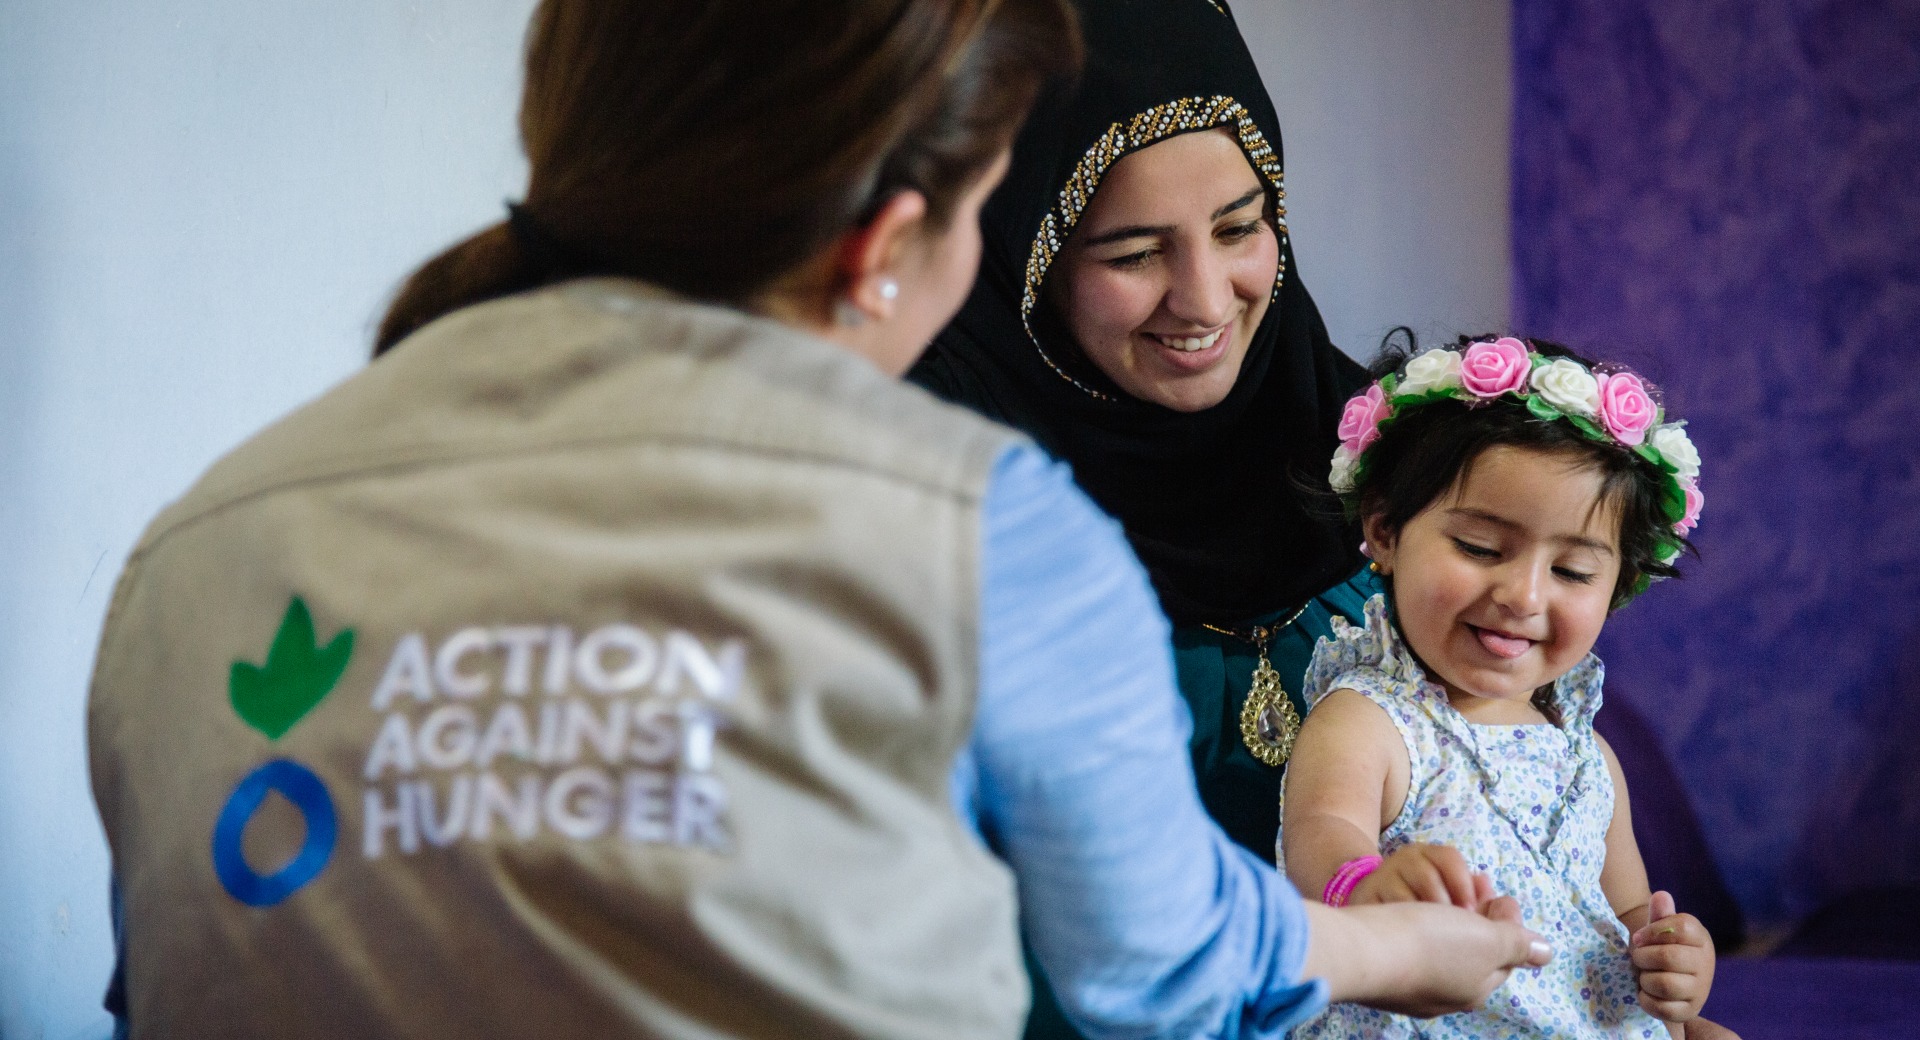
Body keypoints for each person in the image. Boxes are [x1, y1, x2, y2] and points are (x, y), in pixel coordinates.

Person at [88, 1, 1552, 1037]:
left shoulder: (201, 540)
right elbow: (1159, 975)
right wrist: (1405, 945)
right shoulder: (975, 530)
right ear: (892, 247)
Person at [909, 0, 1374, 872]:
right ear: (1024, 261)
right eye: (1132, 255)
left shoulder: (1396, 454)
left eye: (1239, 228)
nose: (1203, 300)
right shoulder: (939, 497)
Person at [1279, 337, 1719, 1038]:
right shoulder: (1370, 721)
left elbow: (1628, 916)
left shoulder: (1587, 758)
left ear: (1619, 586)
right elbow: (1319, 836)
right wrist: (1361, 889)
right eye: (1481, 548)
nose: (1522, 595)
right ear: (1385, 532)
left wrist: (1673, 960)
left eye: (1574, 571)